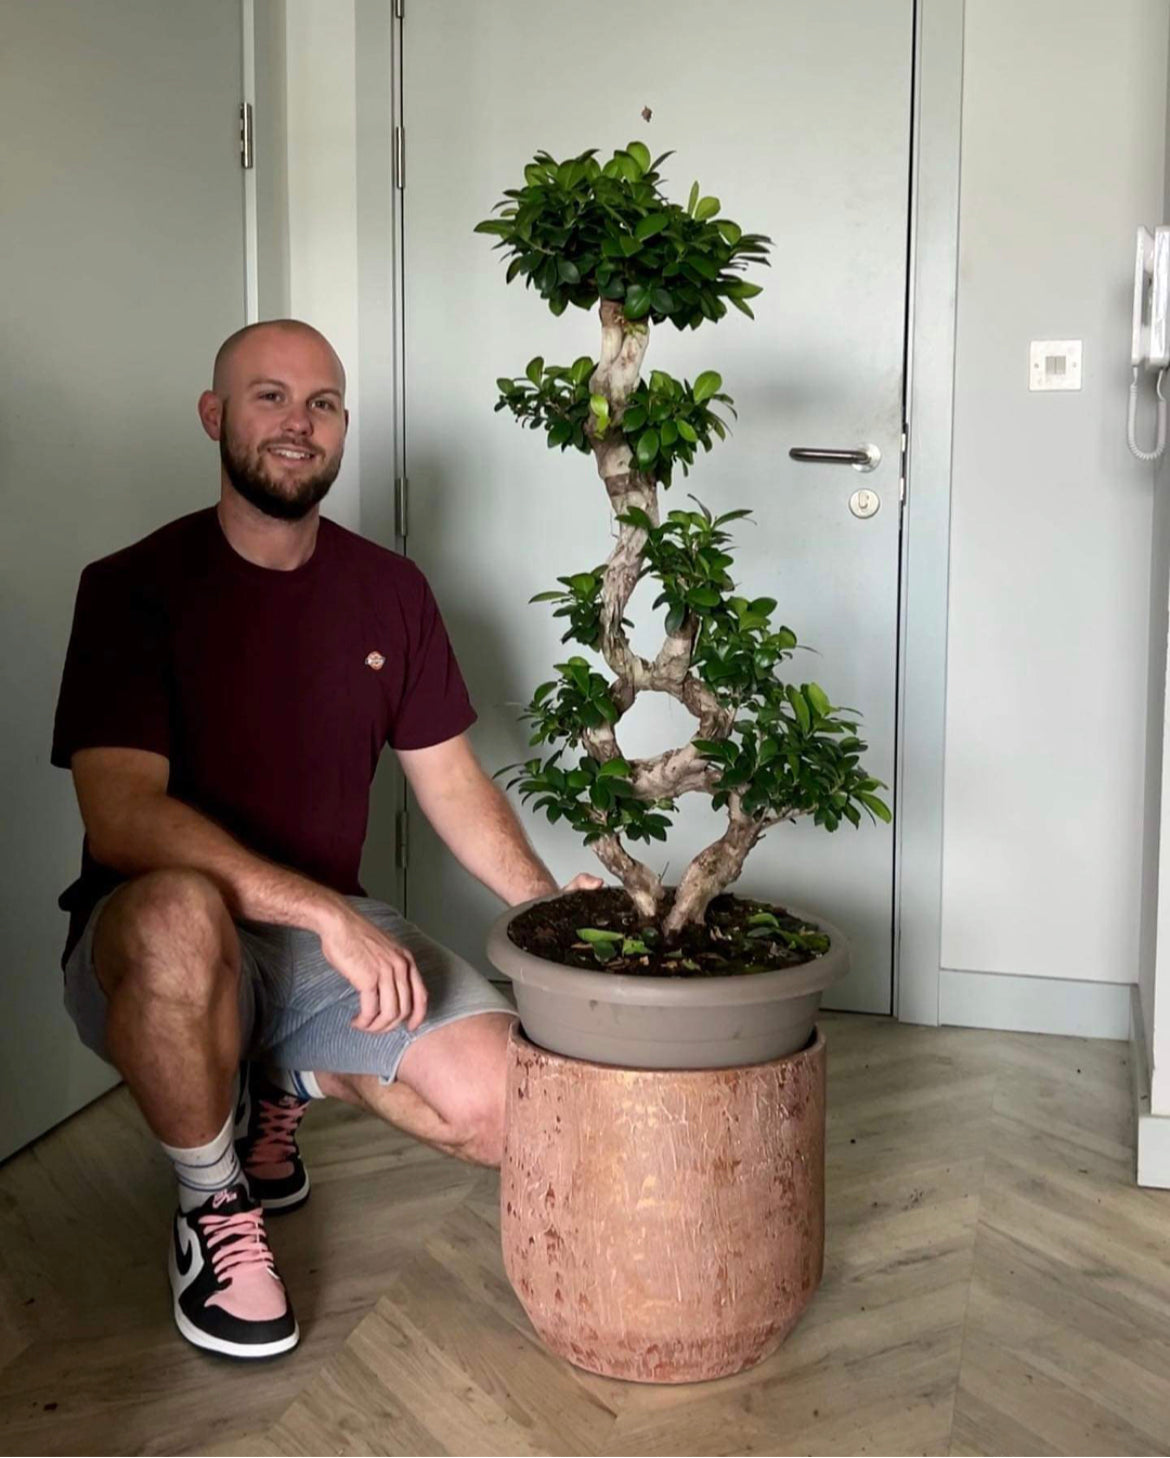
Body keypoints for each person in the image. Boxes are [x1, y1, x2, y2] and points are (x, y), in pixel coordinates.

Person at [51, 319, 602, 1360]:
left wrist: (548, 911)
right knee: (179, 912)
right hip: (156, 944)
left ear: (345, 428)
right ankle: (214, 1207)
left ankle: (284, 1082)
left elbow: (452, 782)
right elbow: (121, 819)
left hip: (321, 944)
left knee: (508, 1114)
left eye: (323, 403)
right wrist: (320, 913)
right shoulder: (130, 588)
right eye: (269, 397)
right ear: (215, 417)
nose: (297, 424)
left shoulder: (391, 592)